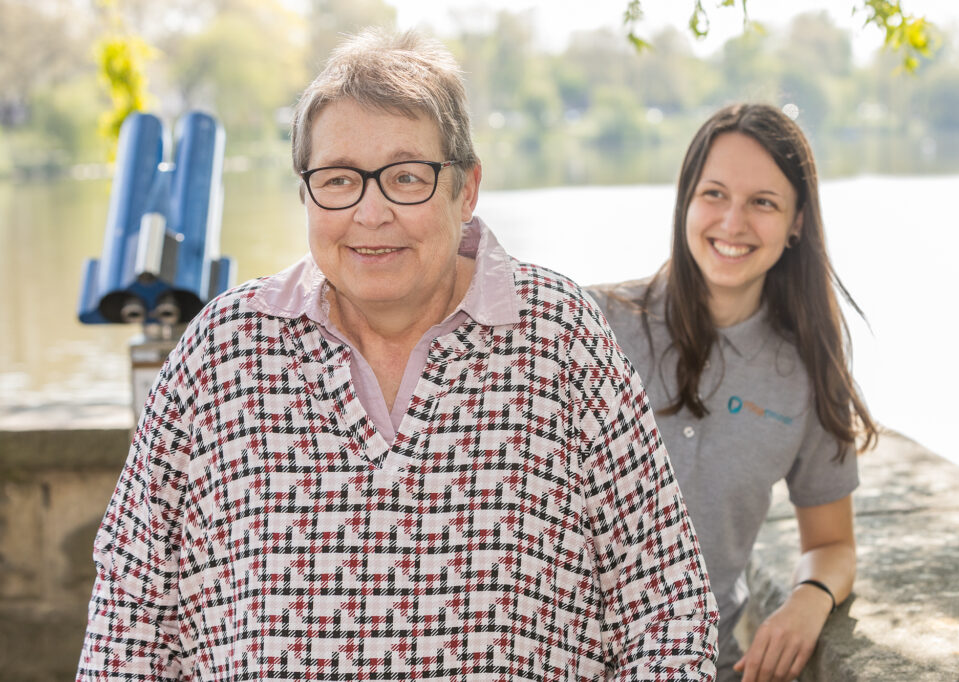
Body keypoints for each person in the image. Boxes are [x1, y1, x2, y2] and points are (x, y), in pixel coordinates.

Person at [77, 30, 718, 680]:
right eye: (338, 179)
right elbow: (127, 623)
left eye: (406, 177)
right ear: (306, 192)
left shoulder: (561, 336)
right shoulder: (222, 352)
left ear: (465, 190)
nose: (370, 211)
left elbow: (668, 611)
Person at [588, 103, 877, 682]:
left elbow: (832, 543)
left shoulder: (806, 368)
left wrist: (808, 600)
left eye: (763, 202)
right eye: (714, 193)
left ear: (797, 221)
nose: (732, 222)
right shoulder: (592, 325)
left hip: (701, 666)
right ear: (686, 201)